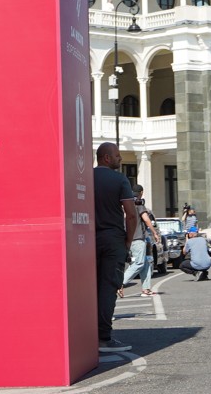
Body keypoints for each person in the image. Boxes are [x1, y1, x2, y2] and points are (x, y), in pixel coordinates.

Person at [93, 142, 137, 349]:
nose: (120, 159)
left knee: (91, 288)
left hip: (88, 240)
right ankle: (103, 337)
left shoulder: (86, 177)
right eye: (117, 156)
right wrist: (128, 241)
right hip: (113, 240)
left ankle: (87, 333)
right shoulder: (120, 179)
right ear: (106, 158)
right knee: (109, 287)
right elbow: (131, 215)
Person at [122, 187, 160, 298]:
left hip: (128, 238)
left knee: (146, 263)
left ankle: (146, 289)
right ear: (141, 193)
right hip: (138, 238)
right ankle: (119, 284)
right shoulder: (139, 204)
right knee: (138, 263)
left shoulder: (126, 204)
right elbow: (146, 219)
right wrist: (155, 233)